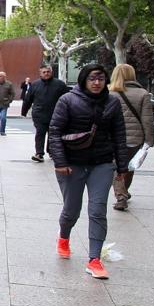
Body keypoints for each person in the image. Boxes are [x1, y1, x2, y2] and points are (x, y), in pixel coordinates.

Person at [49, 64, 130, 279]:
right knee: (71, 210)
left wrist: (122, 167)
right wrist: (60, 161)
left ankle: (94, 259)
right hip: (71, 164)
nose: (96, 82)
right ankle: (64, 236)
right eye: (92, 78)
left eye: (101, 79)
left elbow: (119, 136)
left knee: (97, 210)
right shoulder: (67, 100)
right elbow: (55, 131)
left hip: (102, 163)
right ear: (84, 79)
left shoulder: (112, 102)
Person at [107, 64, 154, 211]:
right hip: (136, 137)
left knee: (116, 166)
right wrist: (149, 140)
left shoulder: (109, 92)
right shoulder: (142, 93)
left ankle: (121, 196)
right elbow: (147, 119)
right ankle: (124, 191)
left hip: (113, 137)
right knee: (129, 166)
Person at [21, 64, 69, 162]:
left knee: (53, 134)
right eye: (44, 72)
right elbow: (28, 99)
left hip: (55, 114)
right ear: (40, 73)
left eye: (48, 72)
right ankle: (39, 153)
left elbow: (67, 99)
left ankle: (51, 151)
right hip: (39, 114)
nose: (46, 74)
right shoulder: (35, 84)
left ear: (51, 72)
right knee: (40, 133)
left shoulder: (60, 84)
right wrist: (24, 112)